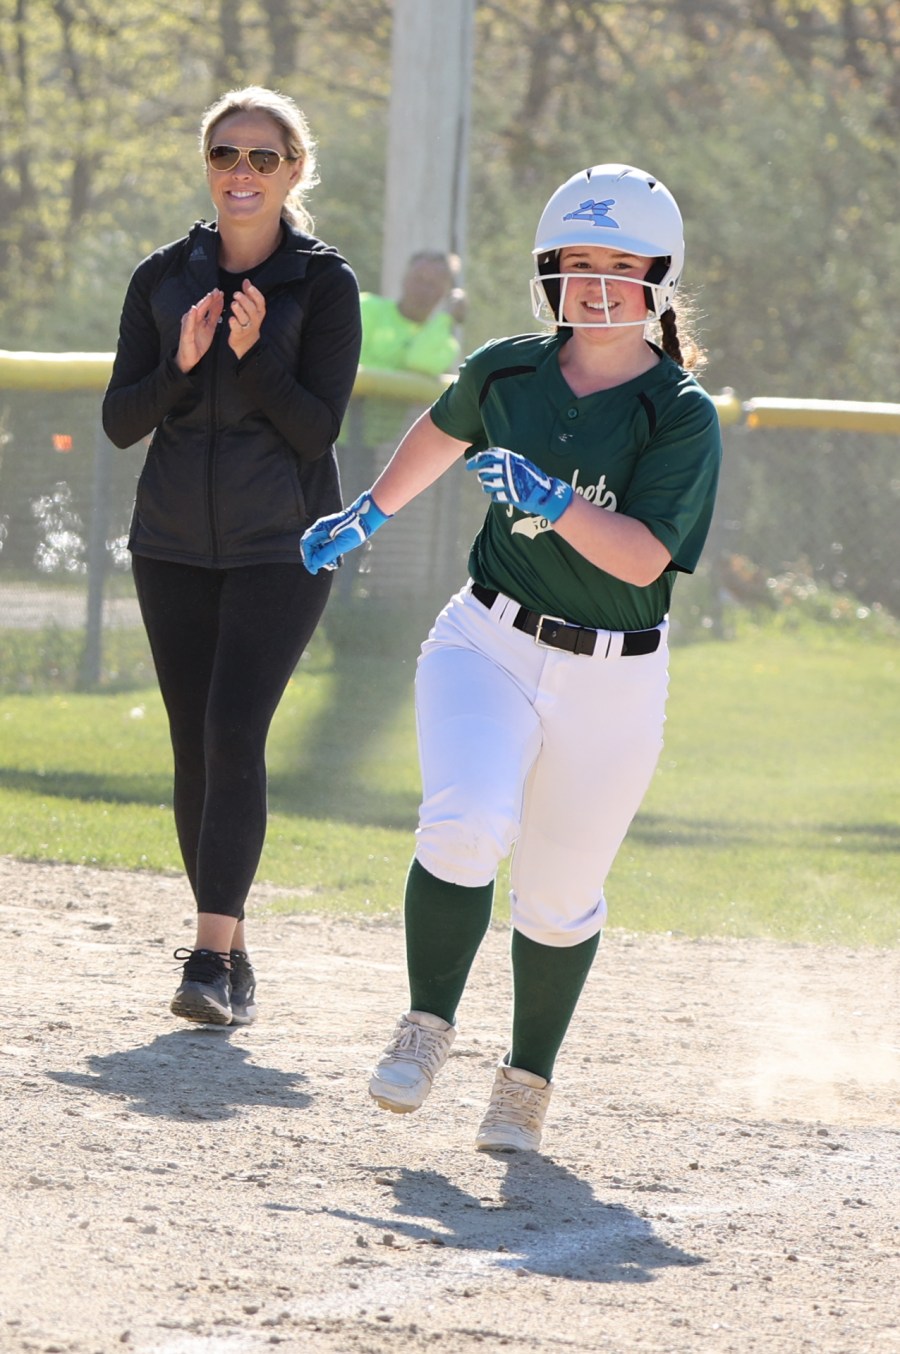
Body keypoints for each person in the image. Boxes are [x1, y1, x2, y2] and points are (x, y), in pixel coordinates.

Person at [300, 163, 722, 1154]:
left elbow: (642, 558)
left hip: (615, 674)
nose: (597, 284)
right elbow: (443, 430)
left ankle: (526, 1080)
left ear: (660, 277)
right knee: (464, 821)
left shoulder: (680, 411)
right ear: (548, 270)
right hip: (488, 640)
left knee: (560, 896)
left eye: (621, 264)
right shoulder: (506, 368)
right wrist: (368, 513)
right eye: (578, 262)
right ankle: (425, 1026)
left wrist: (553, 499)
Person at [102, 86, 361, 1027]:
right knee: (193, 744)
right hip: (170, 544)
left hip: (283, 546)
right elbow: (119, 421)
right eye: (224, 154)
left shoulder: (323, 285)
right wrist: (180, 364)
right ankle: (232, 952)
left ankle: (208, 960)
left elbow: (316, 430)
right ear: (207, 167)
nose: (241, 172)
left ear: (295, 171)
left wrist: (252, 356)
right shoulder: (161, 276)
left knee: (232, 731)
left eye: (262, 157)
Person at [359, 251, 466, 377]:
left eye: (433, 284)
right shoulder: (365, 307)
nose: (423, 289)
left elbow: (419, 363)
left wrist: (446, 318)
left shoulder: (446, 345)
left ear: (445, 292)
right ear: (404, 279)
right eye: (418, 279)